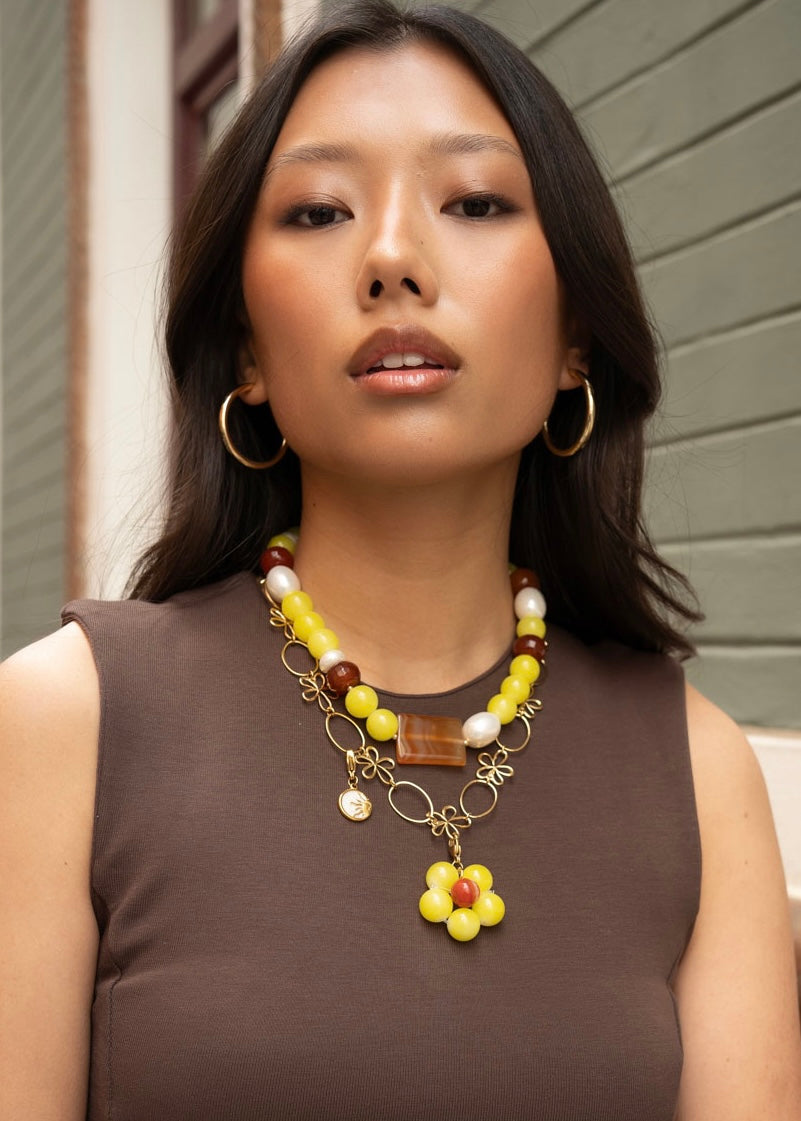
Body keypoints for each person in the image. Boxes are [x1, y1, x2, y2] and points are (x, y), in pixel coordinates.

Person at [2, 2, 800, 1118]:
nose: (390, 257)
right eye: (320, 211)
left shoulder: (697, 769)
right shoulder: (65, 723)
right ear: (245, 349)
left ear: (577, 335)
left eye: (473, 202)